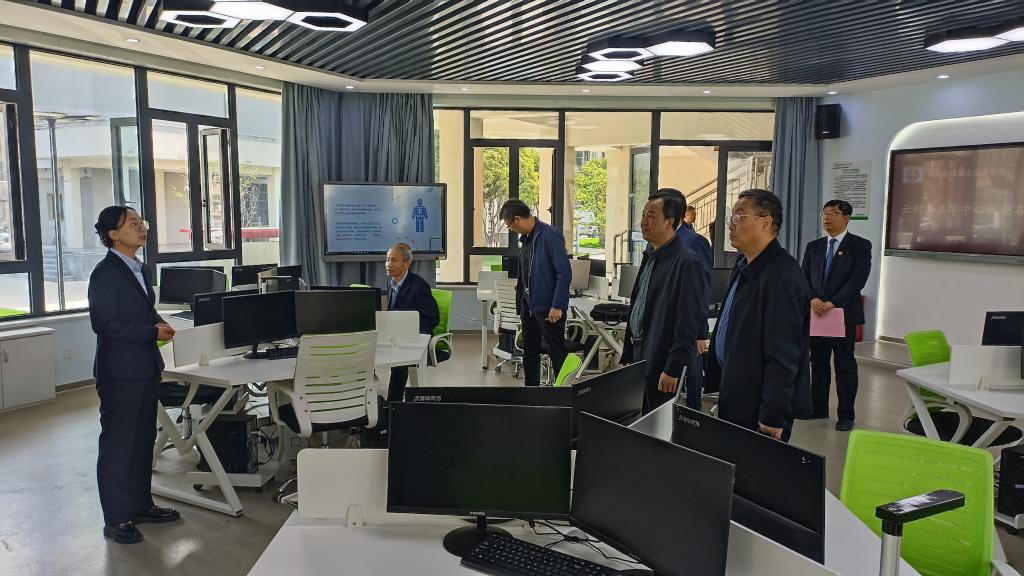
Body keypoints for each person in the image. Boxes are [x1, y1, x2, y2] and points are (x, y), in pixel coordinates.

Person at [89, 206, 179, 544]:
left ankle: (141, 505)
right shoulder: (105, 273)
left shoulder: (140, 267)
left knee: (143, 441)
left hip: (146, 367)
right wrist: (150, 332)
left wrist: (157, 321)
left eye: (142, 223)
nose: (142, 228)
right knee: (118, 445)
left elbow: (143, 309)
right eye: (132, 224)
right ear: (113, 234)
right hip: (120, 373)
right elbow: (104, 324)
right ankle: (116, 519)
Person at [705, 189, 812, 442]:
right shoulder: (744, 264)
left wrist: (773, 414)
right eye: (731, 218)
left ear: (765, 222)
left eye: (739, 217)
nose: (731, 225)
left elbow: (784, 355)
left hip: (759, 404)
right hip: (737, 389)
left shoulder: (781, 275)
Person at [621, 192, 707, 413]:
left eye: (651, 216)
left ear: (670, 221)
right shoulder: (651, 253)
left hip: (661, 357)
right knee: (638, 417)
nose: (643, 222)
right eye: (643, 215)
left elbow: (687, 321)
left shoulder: (687, 262)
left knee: (657, 422)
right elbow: (640, 301)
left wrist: (673, 368)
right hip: (640, 351)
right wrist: (629, 352)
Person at [801, 200, 872, 432]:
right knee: (818, 363)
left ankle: (846, 415)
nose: (827, 217)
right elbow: (804, 277)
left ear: (846, 218)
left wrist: (833, 302)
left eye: (833, 213)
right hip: (816, 313)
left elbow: (857, 279)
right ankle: (818, 407)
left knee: (844, 365)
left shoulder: (860, 245)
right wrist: (812, 299)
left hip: (842, 314)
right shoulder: (814, 247)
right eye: (825, 213)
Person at [499, 199, 571, 387]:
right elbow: (529, 268)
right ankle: (531, 390)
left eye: (509, 225)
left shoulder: (549, 236)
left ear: (517, 219)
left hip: (548, 308)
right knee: (530, 351)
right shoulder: (527, 239)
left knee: (556, 352)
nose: (511, 229)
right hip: (528, 306)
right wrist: (522, 286)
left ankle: (563, 393)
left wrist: (557, 305)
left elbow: (564, 273)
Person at [657, 188, 712, 409]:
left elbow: (702, 289)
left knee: (692, 369)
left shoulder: (695, 242)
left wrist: (701, 332)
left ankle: (693, 411)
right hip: (665, 322)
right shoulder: (658, 242)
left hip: (688, 322)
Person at [384, 243, 439, 401]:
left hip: (415, 337)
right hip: (396, 336)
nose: (388, 264)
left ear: (407, 263)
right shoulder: (391, 283)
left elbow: (431, 317)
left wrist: (418, 338)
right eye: (387, 260)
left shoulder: (419, 286)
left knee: (398, 363)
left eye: (394, 260)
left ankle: (393, 405)